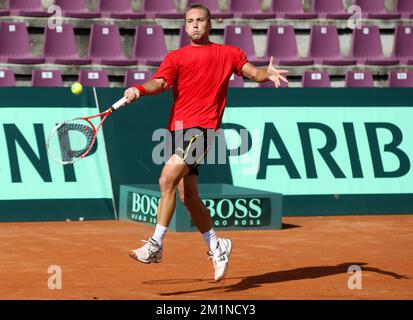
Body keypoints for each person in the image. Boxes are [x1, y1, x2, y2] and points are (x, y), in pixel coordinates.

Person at [123, 3, 288, 281]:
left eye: (200, 20)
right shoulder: (176, 57)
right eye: (190, 21)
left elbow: (252, 73)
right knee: (188, 196)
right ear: (185, 26)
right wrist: (139, 89)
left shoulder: (228, 53)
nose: (195, 25)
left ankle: (155, 244)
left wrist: (265, 74)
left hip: (203, 129)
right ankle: (216, 245)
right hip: (177, 130)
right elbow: (160, 83)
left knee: (166, 180)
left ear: (210, 24)